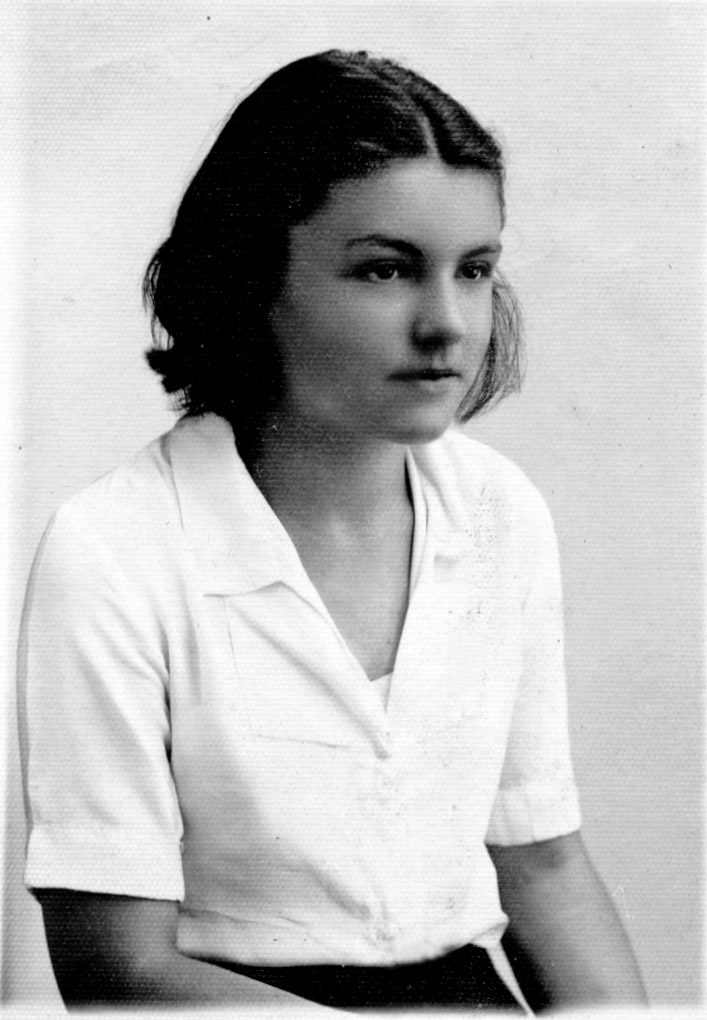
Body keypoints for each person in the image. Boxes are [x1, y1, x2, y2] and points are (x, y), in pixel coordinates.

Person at [17, 50, 647, 1013]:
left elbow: (544, 866)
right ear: (253, 276)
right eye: (386, 270)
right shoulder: (115, 547)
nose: (447, 324)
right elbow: (118, 966)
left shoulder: (498, 513)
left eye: (474, 271)